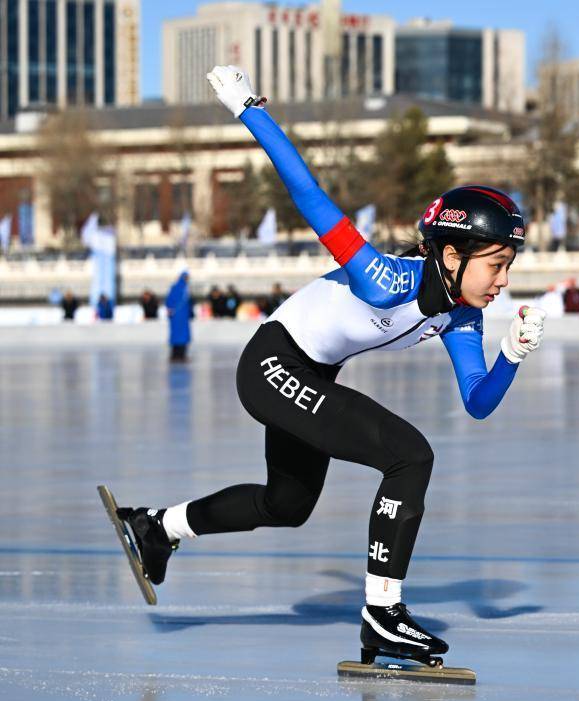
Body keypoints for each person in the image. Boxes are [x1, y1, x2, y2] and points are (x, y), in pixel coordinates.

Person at [113, 65, 546, 670]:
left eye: (508, 268)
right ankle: (382, 613)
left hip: (314, 376)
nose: (503, 281)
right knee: (408, 454)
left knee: (287, 504)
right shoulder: (385, 279)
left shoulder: (462, 318)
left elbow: (477, 400)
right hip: (272, 363)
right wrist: (248, 108)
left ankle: (157, 529)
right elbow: (309, 194)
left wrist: (511, 356)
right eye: (496, 265)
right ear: (451, 255)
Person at [166, 271, 193, 361]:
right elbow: (170, 301)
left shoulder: (179, 288)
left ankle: (177, 355)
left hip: (180, 317)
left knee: (179, 336)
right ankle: (178, 355)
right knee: (180, 336)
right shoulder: (182, 289)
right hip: (179, 317)